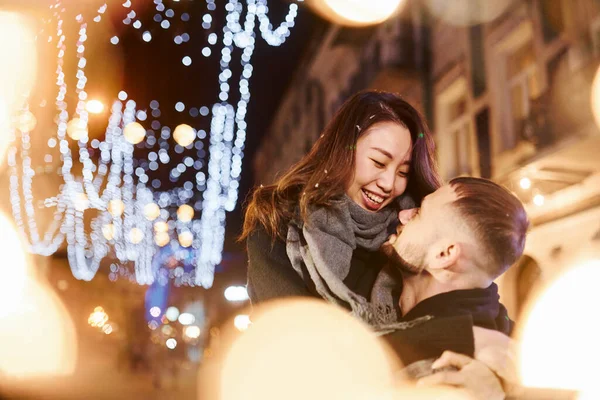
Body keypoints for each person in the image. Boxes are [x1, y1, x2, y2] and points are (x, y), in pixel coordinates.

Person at [241, 90, 442, 326]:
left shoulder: (409, 232)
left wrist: (483, 341)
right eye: (378, 162)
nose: (388, 183)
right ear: (343, 150)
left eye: (403, 172)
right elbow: (290, 334)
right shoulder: (277, 221)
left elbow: (468, 295)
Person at [377, 177, 528, 398]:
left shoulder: (443, 372)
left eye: (419, 214)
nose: (403, 214)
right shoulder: (496, 332)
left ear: (443, 255)